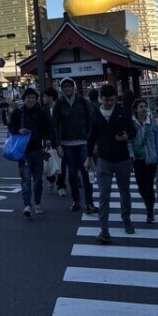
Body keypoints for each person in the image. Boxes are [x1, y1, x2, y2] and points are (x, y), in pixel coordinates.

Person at [85, 83, 136, 242]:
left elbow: (133, 131)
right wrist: (88, 157)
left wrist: (127, 136)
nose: (110, 103)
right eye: (107, 100)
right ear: (101, 99)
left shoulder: (122, 112)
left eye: (113, 100)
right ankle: (104, 230)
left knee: (124, 191)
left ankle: (126, 219)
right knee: (103, 194)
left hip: (122, 158)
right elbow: (91, 137)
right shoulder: (95, 115)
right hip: (103, 159)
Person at [8, 87, 54, 218]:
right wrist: (18, 130)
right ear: (24, 99)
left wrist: (47, 139)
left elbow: (48, 127)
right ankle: (27, 205)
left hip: (37, 150)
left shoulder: (40, 112)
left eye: (33, 97)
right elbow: (10, 127)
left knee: (38, 180)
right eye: (28, 97)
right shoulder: (18, 112)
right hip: (23, 152)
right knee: (26, 179)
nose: (31, 100)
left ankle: (38, 203)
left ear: (36, 99)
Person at [52, 77, 96, 214]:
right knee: (71, 174)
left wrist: (91, 139)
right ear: (62, 88)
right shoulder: (59, 104)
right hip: (66, 143)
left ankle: (89, 202)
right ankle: (76, 201)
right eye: (65, 86)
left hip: (83, 142)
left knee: (86, 172)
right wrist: (58, 145)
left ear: (73, 87)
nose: (67, 88)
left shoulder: (82, 101)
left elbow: (92, 119)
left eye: (69, 86)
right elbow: (54, 126)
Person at [129, 98, 158, 223]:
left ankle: (150, 210)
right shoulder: (132, 124)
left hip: (151, 160)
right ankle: (148, 204)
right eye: (141, 107)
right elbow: (128, 141)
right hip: (138, 160)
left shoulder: (153, 125)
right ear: (135, 110)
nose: (144, 109)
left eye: (145, 106)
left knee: (148, 185)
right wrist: (131, 153)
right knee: (140, 186)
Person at [41, 88, 65, 195]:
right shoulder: (44, 110)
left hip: (62, 138)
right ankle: (51, 180)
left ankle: (61, 186)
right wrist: (46, 139)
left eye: (45, 96)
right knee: (48, 161)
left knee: (62, 163)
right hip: (49, 140)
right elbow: (43, 127)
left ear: (51, 97)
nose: (43, 98)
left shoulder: (60, 108)